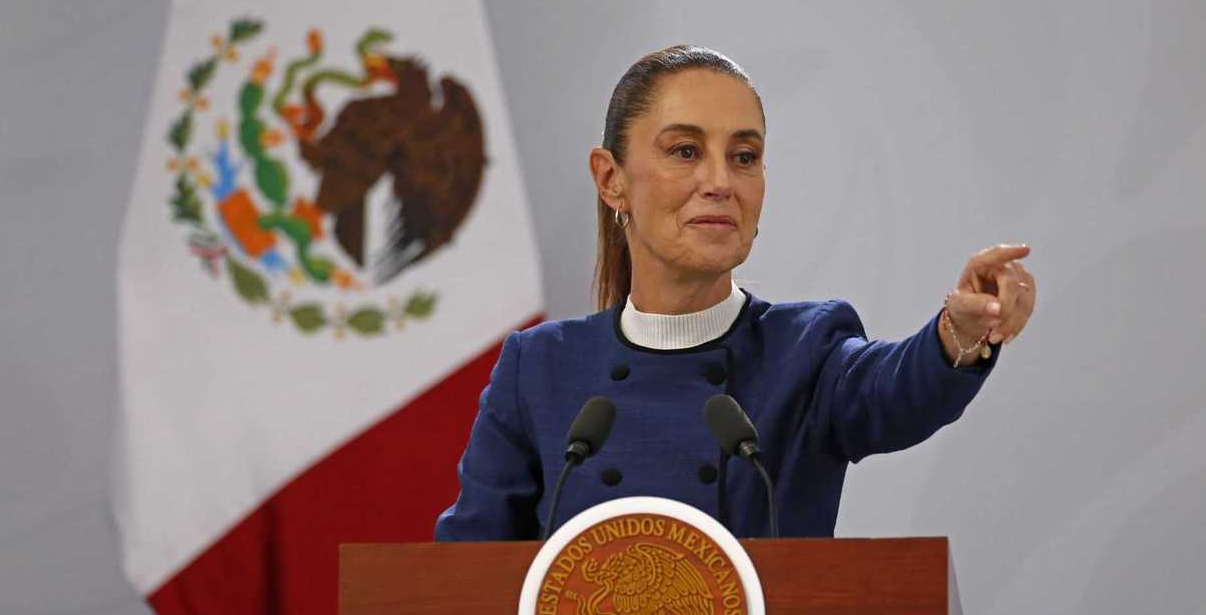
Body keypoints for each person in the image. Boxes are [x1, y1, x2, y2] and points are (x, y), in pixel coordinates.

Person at [434, 45, 1036, 542]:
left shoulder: (807, 350)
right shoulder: (538, 369)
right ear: (611, 179)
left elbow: (898, 388)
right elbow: (460, 577)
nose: (720, 182)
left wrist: (958, 332)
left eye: (744, 157)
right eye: (685, 151)